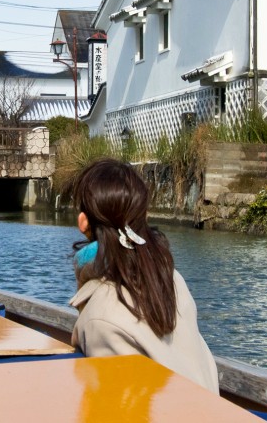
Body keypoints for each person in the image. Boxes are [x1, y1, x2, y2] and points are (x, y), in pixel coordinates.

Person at [69, 158, 220, 393]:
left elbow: (119, 406)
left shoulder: (100, 316)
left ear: (83, 222)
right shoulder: (171, 279)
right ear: (145, 216)